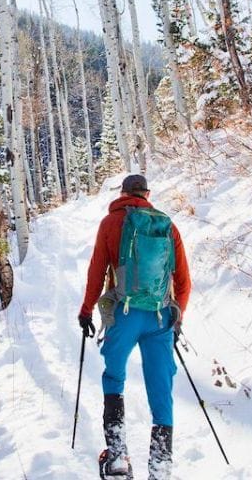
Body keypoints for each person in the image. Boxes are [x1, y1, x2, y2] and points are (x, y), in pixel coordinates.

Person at [79, 174, 192, 480]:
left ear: (123, 193)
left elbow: (96, 272)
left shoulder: (110, 223)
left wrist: (86, 310)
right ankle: (160, 468)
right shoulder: (166, 225)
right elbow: (183, 281)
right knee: (161, 389)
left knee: (114, 376)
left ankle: (116, 458)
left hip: (124, 314)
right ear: (147, 194)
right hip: (159, 317)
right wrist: (177, 317)